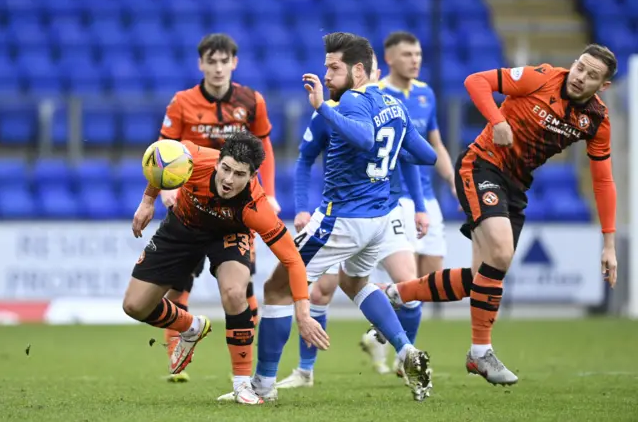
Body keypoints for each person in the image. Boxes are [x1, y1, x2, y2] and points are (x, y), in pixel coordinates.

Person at [384, 43, 619, 386]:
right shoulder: (542, 77)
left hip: (516, 186)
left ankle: (394, 294)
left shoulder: (596, 120)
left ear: (604, 86)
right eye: (580, 67)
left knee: (483, 276)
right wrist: (497, 120)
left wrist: (609, 244)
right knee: (501, 253)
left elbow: (603, 180)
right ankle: (480, 353)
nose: (581, 77)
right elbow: (475, 81)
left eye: (592, 76)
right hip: (481, 165)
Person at [248, 32, 438, 403]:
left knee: (276, 289)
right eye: (326, 67)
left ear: (358, 71)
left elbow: (366, 140)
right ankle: (405, 351)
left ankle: (262, 386)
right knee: (355, 284)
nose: (327, 75)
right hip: (379, 218)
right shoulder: (393, 104)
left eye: (334, 68)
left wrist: (323, 107)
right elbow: (427, 155)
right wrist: (390, 148)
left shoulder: (349, 101)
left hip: (342, 218)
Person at [124, 132, 329, 404]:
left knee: (234, 293)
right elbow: (161, 160)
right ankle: (191, 326)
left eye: (240, 174)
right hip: (182, 227)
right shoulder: (192, 157)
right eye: (226, 169)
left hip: (230, 236)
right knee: (135, 306)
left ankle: (243, 384)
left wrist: (303, 314)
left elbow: (293, 259)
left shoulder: (255, 207)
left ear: (253, 176)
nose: (229, 180)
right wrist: (148, 200)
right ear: (218, 161)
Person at [156, 33, 279, 381]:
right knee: (177, 280)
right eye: (211, 61)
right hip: (191, 201)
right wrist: (166, 189)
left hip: (236, 205)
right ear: (201, 64)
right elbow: (166, 150)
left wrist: (268, 193)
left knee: (241, 285)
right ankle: (176, 358)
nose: (218, 67)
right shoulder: (182, 102)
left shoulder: (252, 101)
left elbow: (264, 149)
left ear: (234, 63)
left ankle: (246, 366)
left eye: (224, 61)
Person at [361, 31, 458, 379]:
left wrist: (452, 181)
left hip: (426, 198)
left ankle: (379, 335)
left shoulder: (425, 93)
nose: (415, 59)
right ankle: (405, 352)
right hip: (394, 197)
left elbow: (436, 144)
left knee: (428, 279)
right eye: (407, 54)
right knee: (410, 282)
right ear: (389, 58)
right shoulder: (377, 94)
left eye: (418, 53)